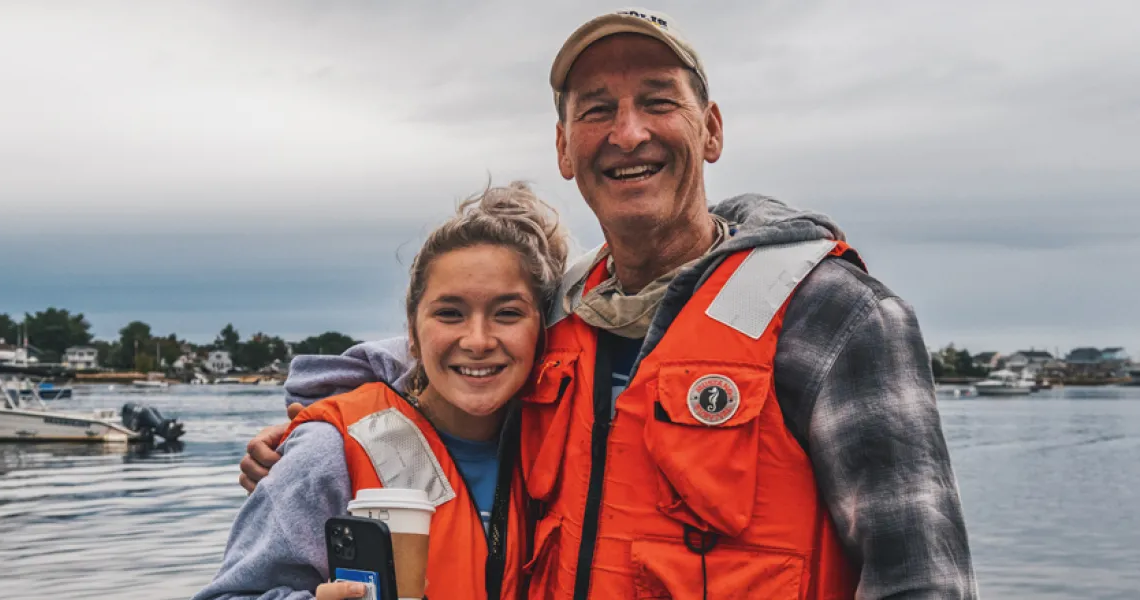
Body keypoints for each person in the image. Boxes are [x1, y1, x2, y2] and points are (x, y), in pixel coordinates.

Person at [243, 8, 977, 599]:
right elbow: (434, 361)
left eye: (658, 101)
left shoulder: (836, 317)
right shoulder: (558, 312)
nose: (628, 132)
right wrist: (315, 432)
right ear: (565, 149)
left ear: (711, 130)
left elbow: (923, 579)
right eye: (598, 110)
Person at [196, 182, 568, 600]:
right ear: (413, 330)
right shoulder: (328, 451)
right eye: (450, 313)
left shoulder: (567, 447)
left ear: (542, 329)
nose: (478, 340)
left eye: (507, 313)